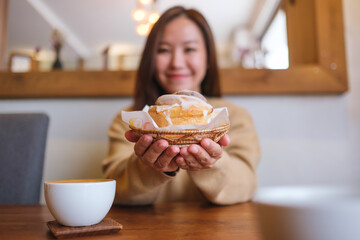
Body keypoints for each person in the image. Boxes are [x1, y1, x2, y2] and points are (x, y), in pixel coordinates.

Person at [102, 6, 261, 205]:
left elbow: (246, 184)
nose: (176, 62)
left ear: (208, 59)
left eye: (189, 49)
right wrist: (150, 166)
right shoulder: (131, 121)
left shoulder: (232, 117)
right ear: (150, 59)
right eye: (163, 50)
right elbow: (116, 189)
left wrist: (211, 163)